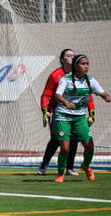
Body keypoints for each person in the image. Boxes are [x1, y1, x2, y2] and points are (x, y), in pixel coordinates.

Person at [54, 54, 111, 182]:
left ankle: (85, 166)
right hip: (63, 116)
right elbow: (57, 95)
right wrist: (67, 103)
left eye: (87, 64)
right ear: (75, 66)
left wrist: (107, 96)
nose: (86, 66)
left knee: (90, 146)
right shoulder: (66, 79)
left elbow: (102, 93)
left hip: (79, 118)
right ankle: (60, 174)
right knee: (65, 148)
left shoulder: (90, 80)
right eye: (83, 64)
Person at [38, 49, 95, 176]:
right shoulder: (55, 75)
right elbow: (46, 94)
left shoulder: (82, 77)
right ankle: (45, 163)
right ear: (62, 60)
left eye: (73, 56)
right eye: (68, 56)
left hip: (75, 113)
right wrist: (45, 110)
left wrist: (91, 113)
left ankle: (69, 168)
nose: (71, 57)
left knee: (74, 139)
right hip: (57, 111)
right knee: (56, 138)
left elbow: (88, 96)